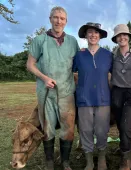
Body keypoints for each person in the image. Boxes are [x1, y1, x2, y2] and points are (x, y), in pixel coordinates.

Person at [26, 6, 79, 170]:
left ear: (66, 22)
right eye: (55, 17)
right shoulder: (40, 40)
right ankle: (49, 161)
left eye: (62, 18)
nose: (58, 21)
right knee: (48, 129)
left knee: (68, 129)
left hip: (67, 93)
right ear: (50, 19)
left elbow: (77, 66)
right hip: (46, 93)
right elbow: (30, 64)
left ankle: (65, 162)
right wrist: (44, 78)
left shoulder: (72, 41)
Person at [73, 22, 113, 170]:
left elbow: (117, 75)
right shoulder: (79, 55)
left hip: (103, 99)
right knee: (85, 130)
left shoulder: (108, 55)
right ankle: (89, 161)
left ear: (100, 36)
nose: (93, 35)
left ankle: (102, 158)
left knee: (102, 130)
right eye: (90, 32)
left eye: (96, 32)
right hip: (84, 99)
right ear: (85, 35)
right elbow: (69, 70)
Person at [110, 24, 131, 170]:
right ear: (116, 39)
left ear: (129, 37)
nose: (122, 37)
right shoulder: (112, 57)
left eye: (124, 35)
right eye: (119, 35)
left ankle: (127, 160)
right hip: (116, 94)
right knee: (120, 126)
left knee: (126, 126)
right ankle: (125, 150)